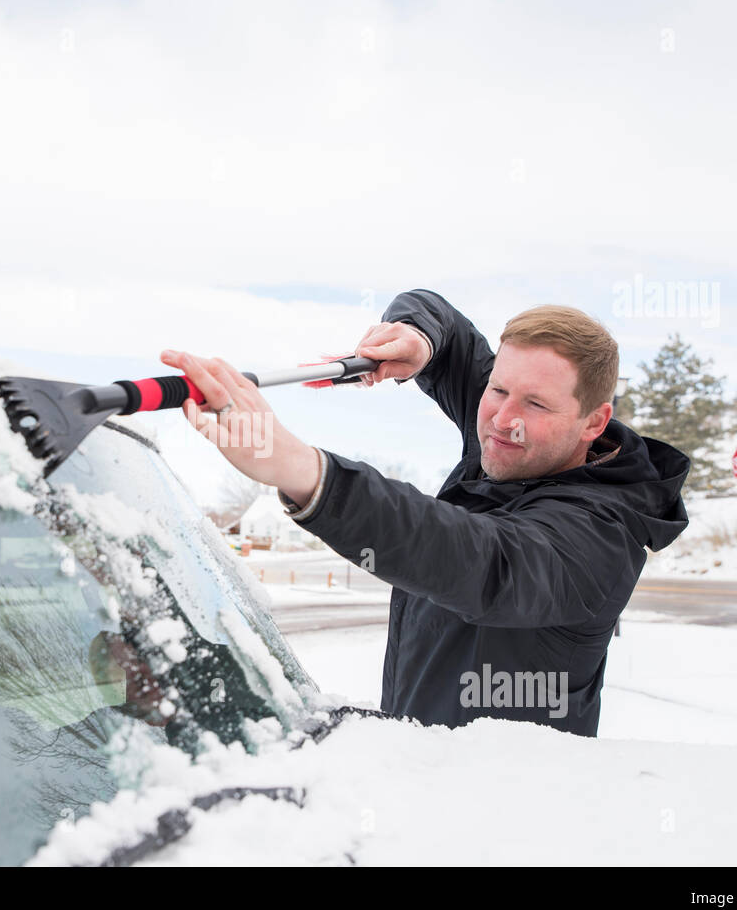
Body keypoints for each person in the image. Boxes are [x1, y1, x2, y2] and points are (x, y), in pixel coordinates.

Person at [160, 288, 690, 736]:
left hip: (509, 821)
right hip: (418, 777)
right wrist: (418, 335)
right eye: (497, 389)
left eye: (536, 404)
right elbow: (450, 334)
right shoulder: (510, 445)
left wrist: (304, 471)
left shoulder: (599, 535)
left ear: (593, 423)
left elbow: (483, 560)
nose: (503, 419)